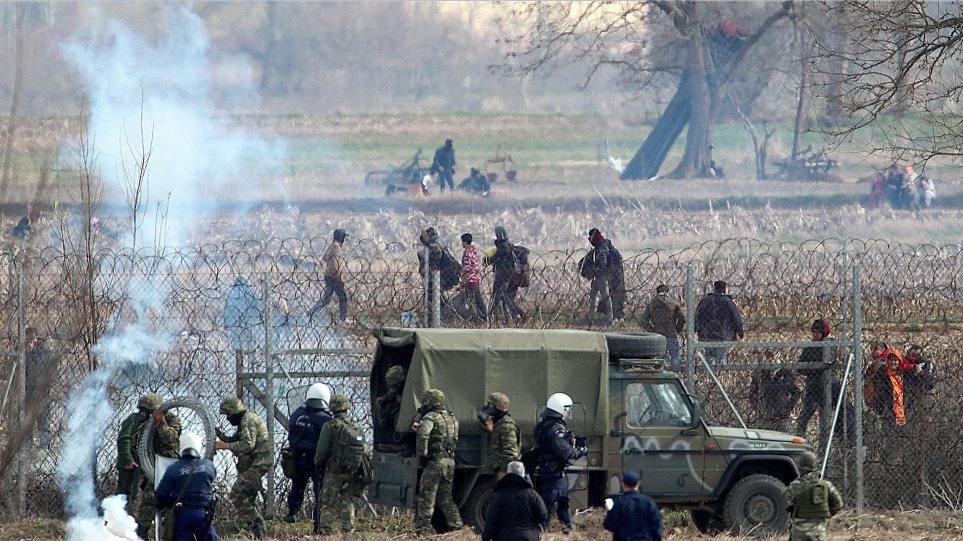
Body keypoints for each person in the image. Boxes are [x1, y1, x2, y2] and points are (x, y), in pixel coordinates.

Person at [116, 393, 181, 540]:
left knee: (156, 499)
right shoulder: (139, 421)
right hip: (146, 465)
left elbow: (170, 439)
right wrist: (128, 458)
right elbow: (127, 439)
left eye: (147, 411)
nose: (144, 415)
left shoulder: (171, 420)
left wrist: (161, 423)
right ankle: (137, 532)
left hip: (165, 465)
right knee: (136, 497)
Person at [214, 397, 270, 539]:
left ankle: (256, 523)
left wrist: (225, 446)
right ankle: (255, 527)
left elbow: (247, 445)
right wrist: (223, 437)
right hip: (254, 463)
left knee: (236, 493)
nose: (228, 418)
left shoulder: (247, 420)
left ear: (234, 412)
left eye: (228, 415)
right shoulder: (245, 420)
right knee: (246, 496)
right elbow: (238, 440)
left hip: (259, 463)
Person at [533, 392, 586, 532]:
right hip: (552, 472)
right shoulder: (555, 428)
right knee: (550, 502)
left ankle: (567, 529)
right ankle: (541, 531)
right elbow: (566, 453)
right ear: (560, 409)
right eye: (567, 409)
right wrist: (581, 451)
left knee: (563, 501)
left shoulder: (546, 425)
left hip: (552, 471)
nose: (568, 412)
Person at [314, 394, 366, 535]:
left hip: (333, 470)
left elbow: (322, 450)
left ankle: (326, 531)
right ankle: (348, 530)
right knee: (347, 500)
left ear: (332, 408)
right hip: (352, 470)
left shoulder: (330, 426)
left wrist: (318, 463)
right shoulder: (356, 427)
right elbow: (364, 450)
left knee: (327, 502)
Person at [155, 432, 220, 541]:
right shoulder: (209, 465)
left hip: (182, 515)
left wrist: (169, 503)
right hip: (204, 515)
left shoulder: (173, 469)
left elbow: (161, 495)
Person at [414, 389, 463, 534]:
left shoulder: (430, 417)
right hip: (449, 461)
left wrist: (422, 455)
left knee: (426, 496)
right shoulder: (452, 418)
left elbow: (423, 435)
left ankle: (422, 529)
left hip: (435, 462)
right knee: (445, 497)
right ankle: (457, 526)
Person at [284, 383, 332, 527]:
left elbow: (291, 434)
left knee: (297, 485)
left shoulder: (296, 414)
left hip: (298, 457)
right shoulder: (326, 418)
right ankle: (319, 523)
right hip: (318, 459)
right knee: (320, 491)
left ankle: (292, 512)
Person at [783, 451, 843, 541]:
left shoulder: (795, 485)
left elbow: (785, 498)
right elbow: (838, 504)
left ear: (800, 467)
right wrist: (825, 513)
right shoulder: (826, 485)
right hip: (818, 529)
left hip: (798, 530)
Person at [482, 461, 547, 541]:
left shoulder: (498, 495)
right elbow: (543, 515)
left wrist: (486, 538)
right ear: (523, 473)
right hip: (528, 537)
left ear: (508, 473)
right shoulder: (532, 494)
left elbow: (491, 520)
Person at [603, 470, 663, 541]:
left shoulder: (620, 503)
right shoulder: (648, 501)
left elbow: (609, 525)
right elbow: (656, 525)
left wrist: (610, 512)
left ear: (622, 484)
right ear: (638, 483)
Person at [694, 280, 744, 365]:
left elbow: (698, 316)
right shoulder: (728, 302)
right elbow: (736, 317)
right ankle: (719, 375)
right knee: (721, 358)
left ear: (714, 288)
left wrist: (695, 329)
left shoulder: (705, 301)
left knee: (709, 356)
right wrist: (740, 332)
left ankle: (709, 375)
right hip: (724, 335)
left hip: (707, 334)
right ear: (724, 289)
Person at [485, 226, 526, 324]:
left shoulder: (503, 247)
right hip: (509, 275)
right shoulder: (509, 245)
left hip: (503, 276)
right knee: (504, 297)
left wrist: (486, 259)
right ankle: (508, 318)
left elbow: (493, 259)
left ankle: (515, 316)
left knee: (501, 297)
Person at [308, 229, 350, 323]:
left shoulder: (333, 245)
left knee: (326, 299)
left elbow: (325, 257)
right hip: (334, 277)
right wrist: (338, 275)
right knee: (342, 297)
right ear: (341, 237)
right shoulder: (336, 246)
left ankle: (311, 313)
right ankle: (343, 318)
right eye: (343, 237)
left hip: (329, 276)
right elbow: (335, 263)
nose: (344, 239)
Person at [639, 285, 686, 367]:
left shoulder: (652, 304)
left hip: (657, 334)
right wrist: (678, 329)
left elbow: (643, 321)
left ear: (657, 292)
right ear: (667, 292)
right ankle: (676, 374)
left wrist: (651, 330)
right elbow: (683, 318)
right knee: (675, 357)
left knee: (659, 359)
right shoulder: (673, 303)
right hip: (671, 333)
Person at [24, 327, 54, 446]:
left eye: (32, 338)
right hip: (27, 390)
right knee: (27, 422)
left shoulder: (44, 351)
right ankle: (28, 446)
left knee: (44, 420)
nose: (30, 342)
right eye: (27, 339)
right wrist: (27, 353)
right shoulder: (22, 351)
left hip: (42, 390)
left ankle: (45, 446)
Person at [479, 392, 519, 479]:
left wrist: (502, 471)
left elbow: (511, 455)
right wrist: (491, 431)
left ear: (497, 408)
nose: (488, 408)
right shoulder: (498, 424)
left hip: (504, 473)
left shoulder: (506, 426)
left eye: (490, 405)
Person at [459, 233, 488, 322]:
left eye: (462, 242)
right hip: (476, 278)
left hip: (469, 280)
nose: (462, 244)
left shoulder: (467, 253)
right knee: (478, 299)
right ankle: (484, 316)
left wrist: (462, 284)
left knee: (470, 301)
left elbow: (466, 269)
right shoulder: (474, 251)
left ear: (465, 242)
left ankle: (476, 319)